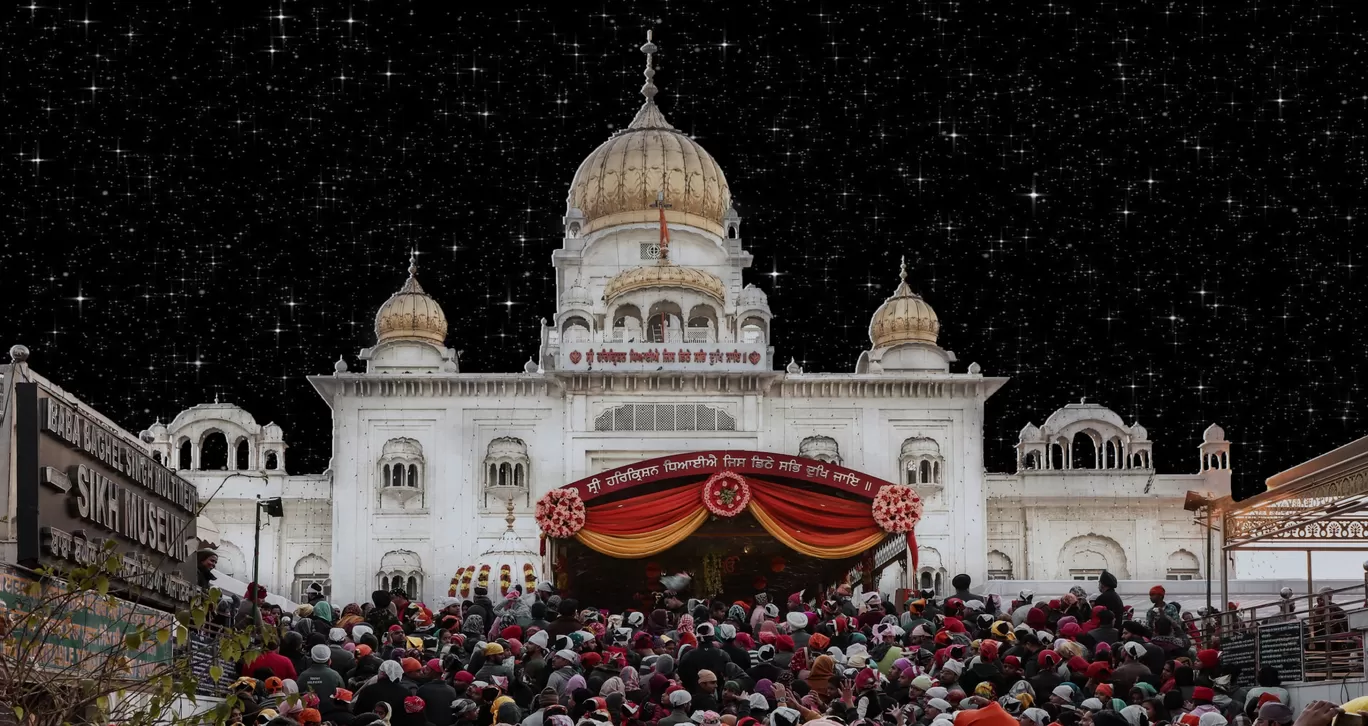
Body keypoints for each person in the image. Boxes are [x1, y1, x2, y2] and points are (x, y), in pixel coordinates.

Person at [298, 644, 347, 713]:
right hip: (331, 714)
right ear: (329, 660)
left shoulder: (303, 676)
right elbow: (343, 697)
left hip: (309, 716)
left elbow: (298, 697)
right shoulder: (335, 676)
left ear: (312, 658)